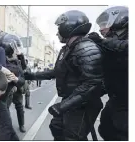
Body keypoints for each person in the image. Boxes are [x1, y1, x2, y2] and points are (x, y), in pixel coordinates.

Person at [24, 10, 104, 140]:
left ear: (69, 27)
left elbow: (92, 84)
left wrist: (62, 106)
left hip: (84, 105)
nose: (57, 32)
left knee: (72, 137)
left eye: (59, 28)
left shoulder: (86, 48)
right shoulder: (68, 49)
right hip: (71, 100)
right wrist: (31, 76)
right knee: (56, 127)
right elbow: (56, 72)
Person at [88, 6, 128, 140]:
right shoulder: (110, 45)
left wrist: (100, 41)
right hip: (116, 98)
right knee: (105, 128)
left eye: (105, 24)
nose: (101, 29)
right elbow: (110, 73)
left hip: (128, 103)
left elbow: (124, 48)